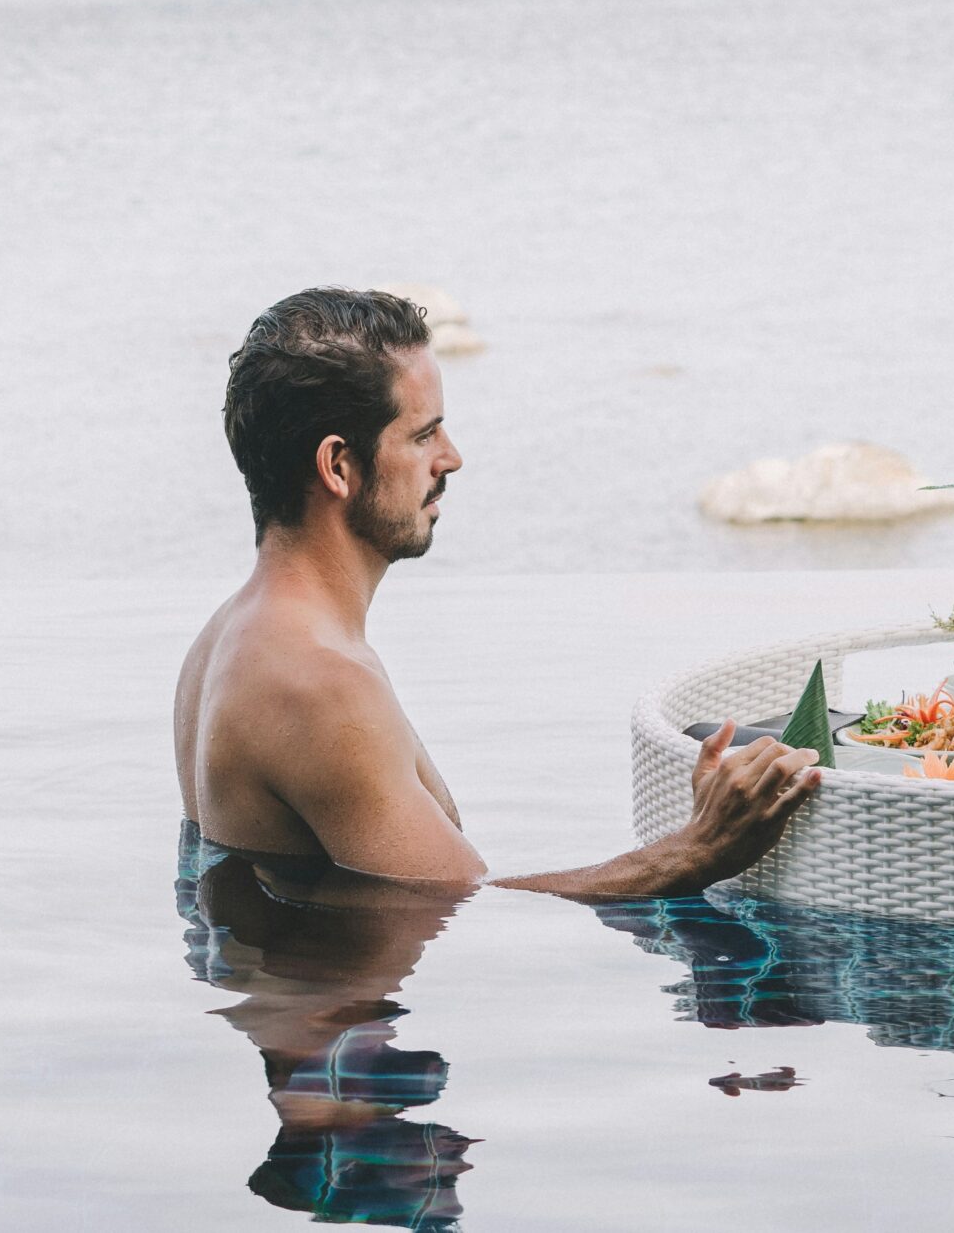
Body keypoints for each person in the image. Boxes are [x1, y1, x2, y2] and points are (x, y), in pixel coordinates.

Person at [174, 286, 820, 896]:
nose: (452, 458)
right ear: (339, 465)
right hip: (339, 1011)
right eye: (424, 434)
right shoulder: (316, 681)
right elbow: (472, 914)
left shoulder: (226, 636)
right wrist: (702, 846)